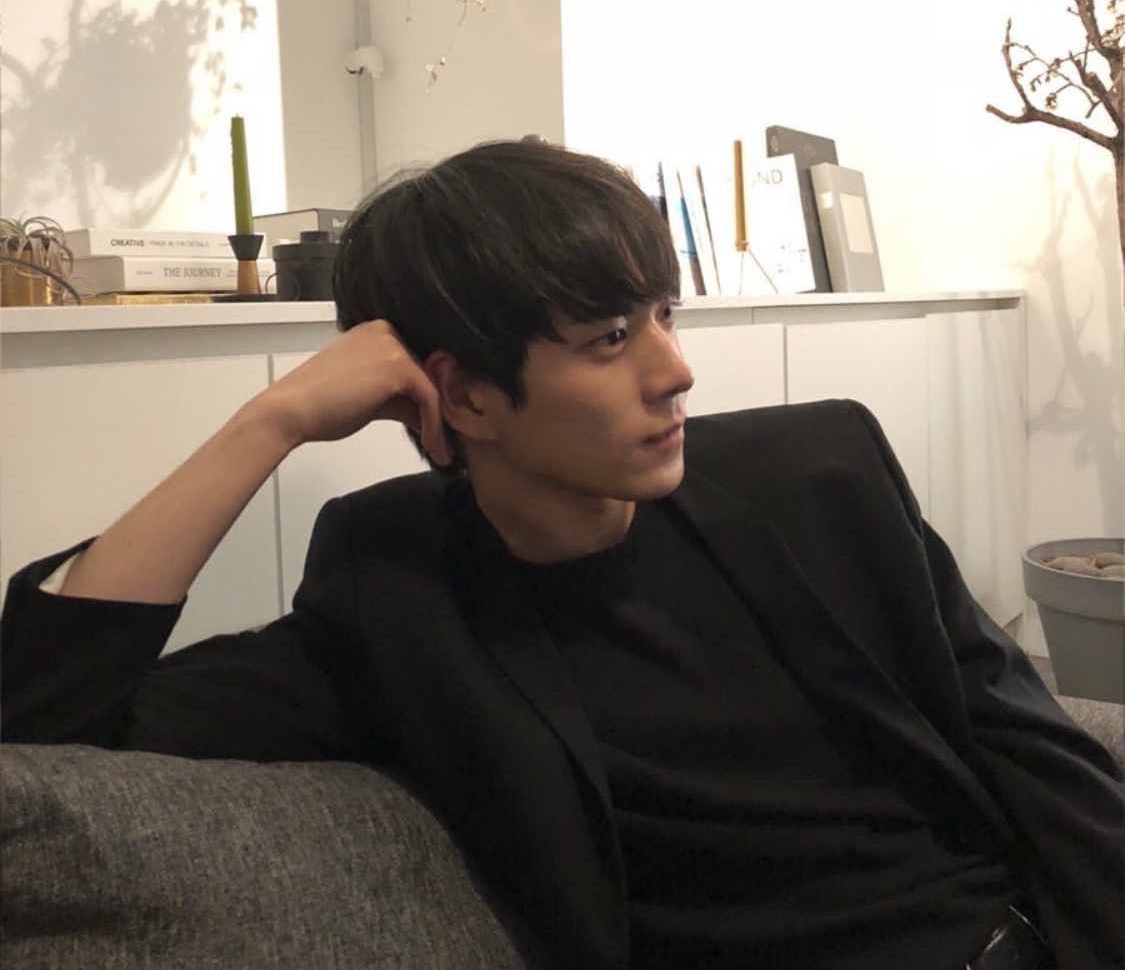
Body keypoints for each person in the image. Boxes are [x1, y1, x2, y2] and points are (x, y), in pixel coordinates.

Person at [1, 141, 1120, 970]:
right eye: (610, 338)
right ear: (467, 396)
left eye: (662, 314)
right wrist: (270, 421)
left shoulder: (821, 475)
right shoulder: (396, 595)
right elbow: (47, 717)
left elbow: (1030, 746)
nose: (674, 370)